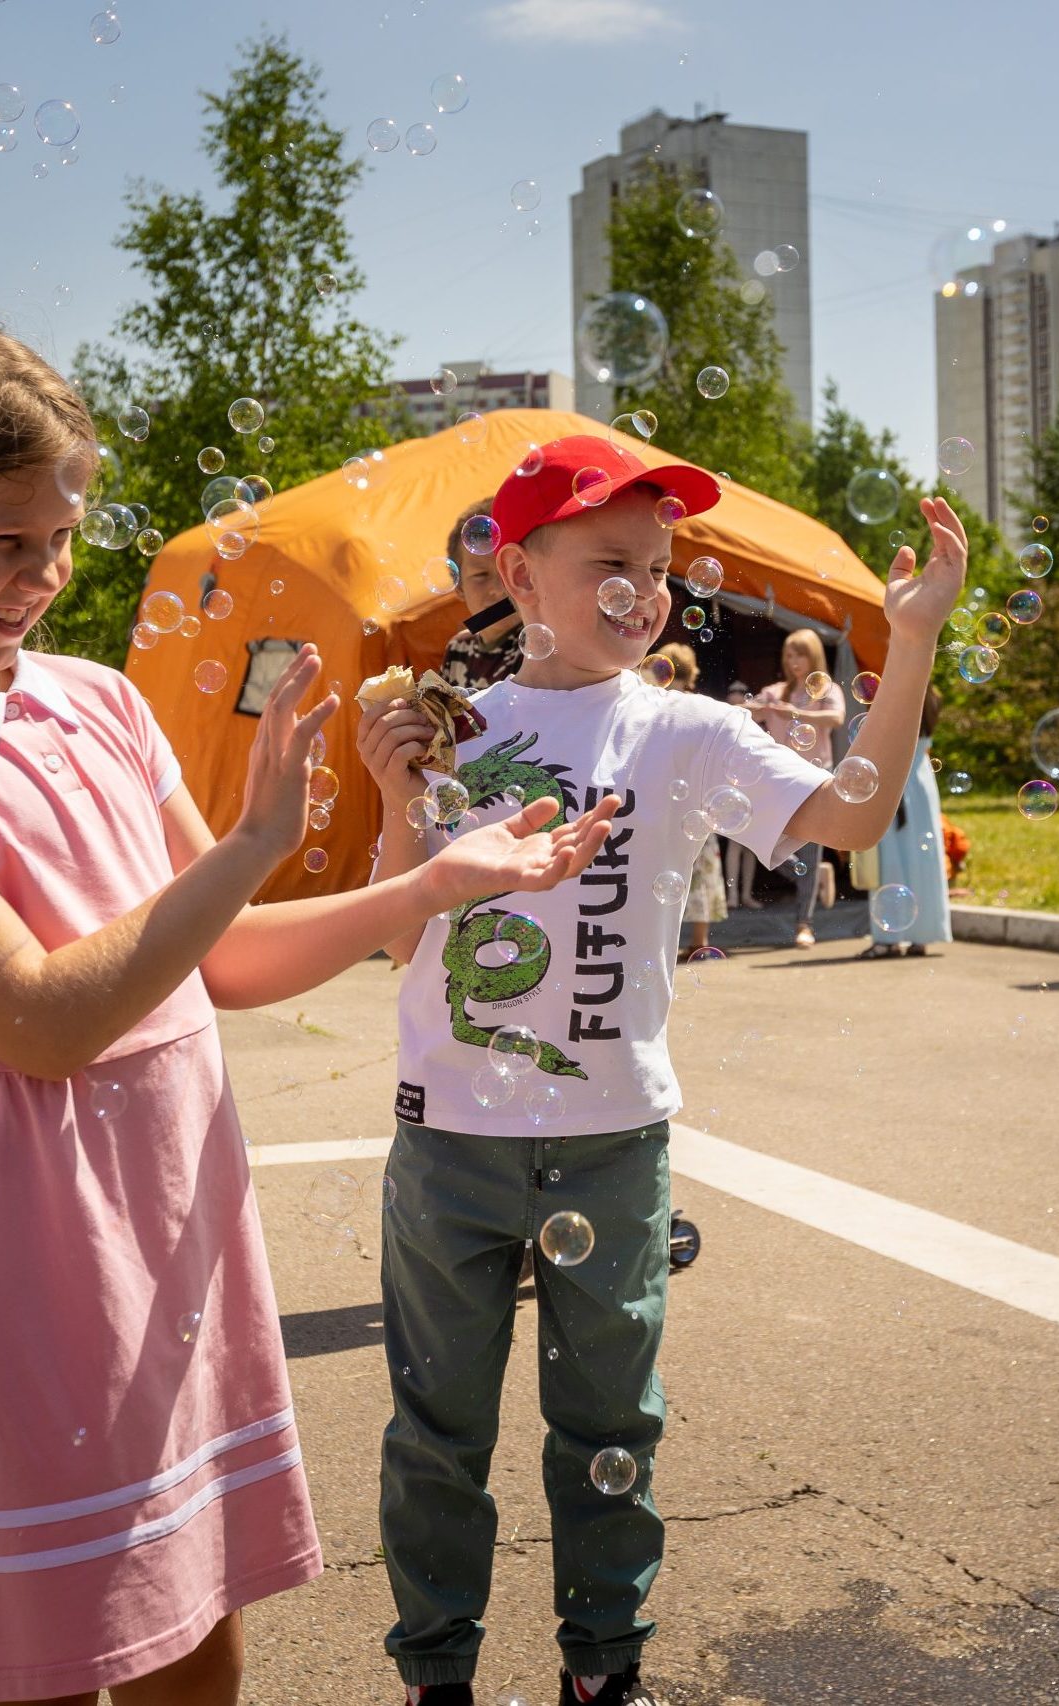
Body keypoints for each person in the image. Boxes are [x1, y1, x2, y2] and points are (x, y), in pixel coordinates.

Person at [0, 307, 619, 1706]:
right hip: (19, 1260)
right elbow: (41, 1019)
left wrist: (429, 884)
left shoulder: (98, 705)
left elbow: (227, 959)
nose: (41, 574)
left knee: (191, 1635)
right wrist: (250, 844)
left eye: (60, 535)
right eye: (0, 540)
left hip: (169, 1226)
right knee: (44, 1655)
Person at [357, 433, 966, 1706]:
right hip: (449, 1139)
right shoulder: (451, 730)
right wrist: (387, 799)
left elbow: (853, 813)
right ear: (516, 579)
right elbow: (396, 930)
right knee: (436, 1433)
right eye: (610, 564)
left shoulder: (684, 729)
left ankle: (604, 1668)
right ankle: (435, 1675)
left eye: (660, 565)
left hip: (614, 1138)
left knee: (610, 1430)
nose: (648, 589)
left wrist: (907, 640)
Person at [747, 629, 847, 948]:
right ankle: (816, 875)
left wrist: (797, 714)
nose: (793, 662)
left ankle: (805, 924)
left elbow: (837, 717)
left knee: (808, 850)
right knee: (758, 839)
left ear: (814, 656)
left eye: (800, 655)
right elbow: (748, 711)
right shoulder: (775, 691)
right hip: (779, 779)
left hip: (816, 778)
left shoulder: (825, 689)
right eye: (789, 656)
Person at [857, 686, 952, 960]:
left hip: (897, 778)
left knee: (892, 856)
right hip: (921, 781)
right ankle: (922, 935)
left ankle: (888, 939)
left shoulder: (895, 696)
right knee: (922, 858)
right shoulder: (931, 695)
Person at [645, 643, 727, 958]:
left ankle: (667, 942)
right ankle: (700, 940)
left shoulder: (653, 703)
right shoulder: (698, 705)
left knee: (667, 867)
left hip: (667, 794)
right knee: (702, 868)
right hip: (700, 795)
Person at [440, 498, 524, 692]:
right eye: (481, 575)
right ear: (458, 587)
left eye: (508, 570)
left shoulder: (537, 643)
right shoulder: (458, 648)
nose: (499, 589)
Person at [720, 680, 760, 908]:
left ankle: (745, 894)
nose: (737, 695)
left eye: (742, 692)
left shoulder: (753, 723)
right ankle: (732, 895)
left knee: (751, 846)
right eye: (732, 691)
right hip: (729, 789)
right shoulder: (723, 720)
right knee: (735, 844)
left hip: (750, 786)